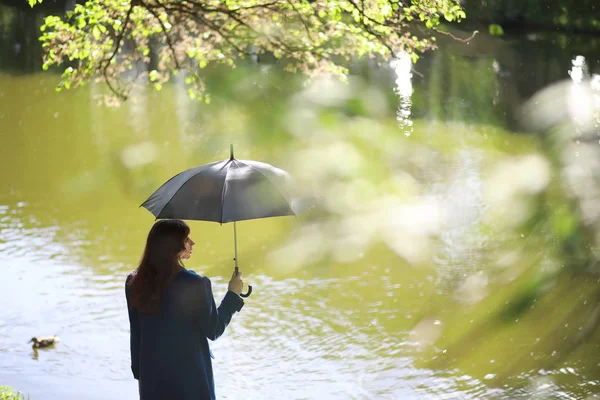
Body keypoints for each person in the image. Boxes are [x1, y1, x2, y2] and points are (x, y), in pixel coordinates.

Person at [125, 219, 245, 400]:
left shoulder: (134, 282)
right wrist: (233, 295)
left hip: (153, 382)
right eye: (187, 238)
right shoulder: (195, 284)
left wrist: (140, 378)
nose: (192, 243)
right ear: (174, 247)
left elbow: (137, 335)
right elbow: (214, 329)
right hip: (191, 383)